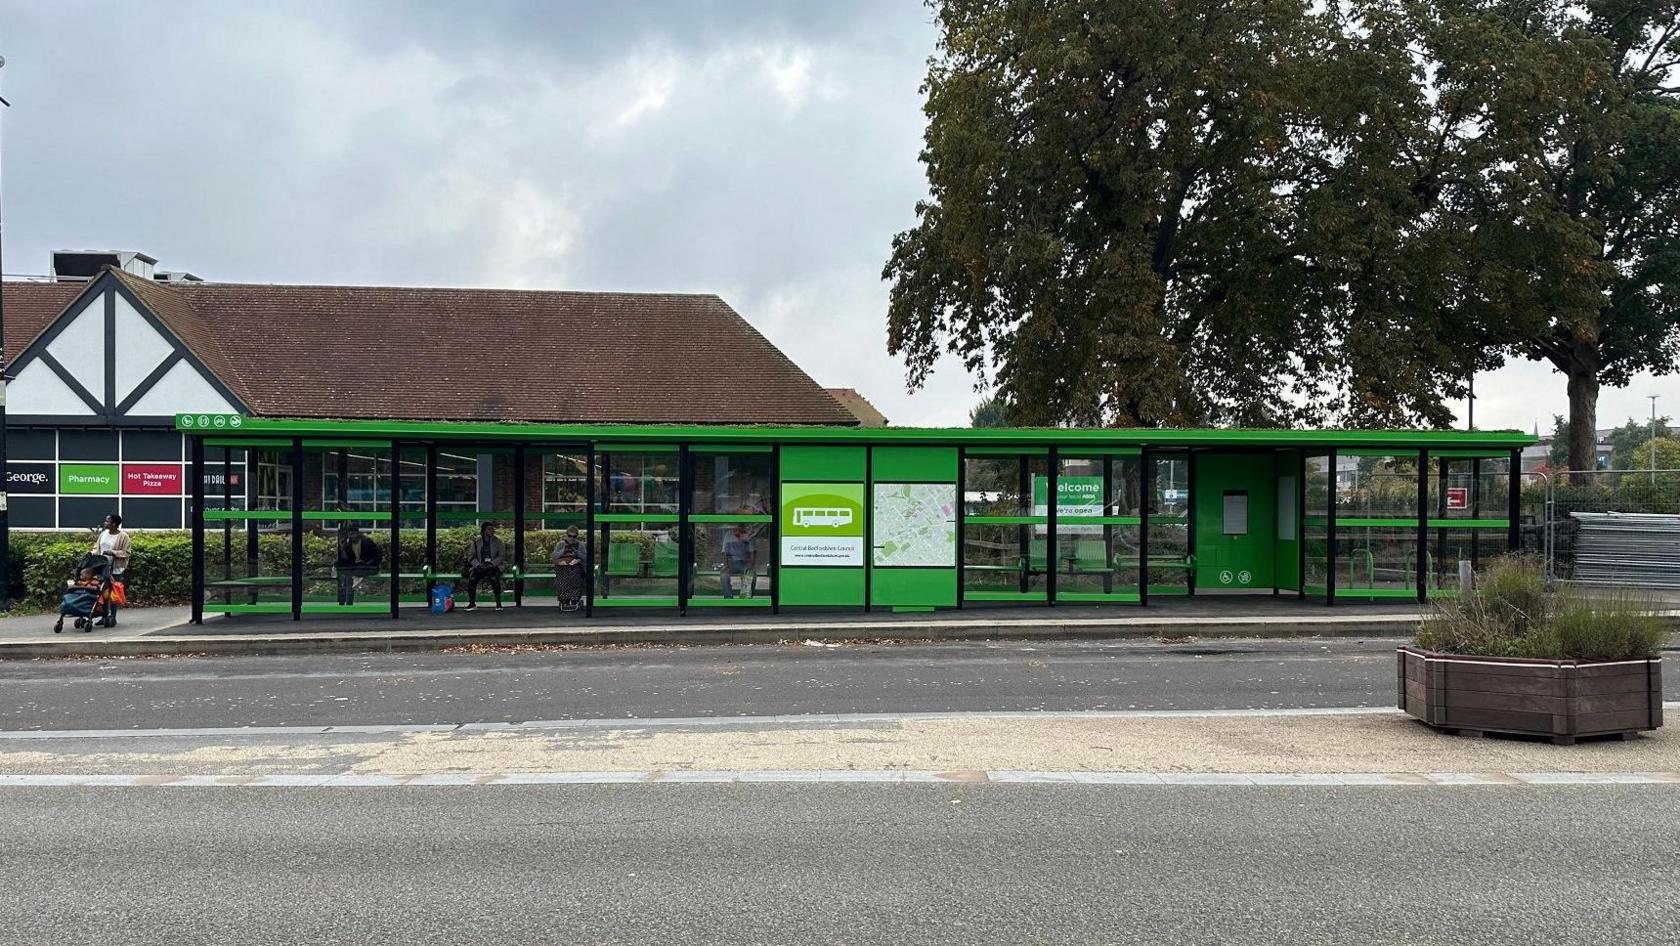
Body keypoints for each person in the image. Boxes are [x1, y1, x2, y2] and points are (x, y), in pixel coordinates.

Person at [91, 514, 131, 622]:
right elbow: (97, 548)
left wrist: (113, 552)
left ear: (114, 524)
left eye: (107, 521)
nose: (105, 523)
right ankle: (104, 615)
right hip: (102, 567)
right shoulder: (103, 534)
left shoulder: (123, 537)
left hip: (115, 568)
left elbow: (126, 552)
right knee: (103, 592)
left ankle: (112, 616)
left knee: (113, 592)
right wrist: (91, 553)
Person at [462, 522, 506, 611]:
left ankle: (498, 604)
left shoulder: (498, 541)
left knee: (494, 578)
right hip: (480, 566)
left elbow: (502, 556)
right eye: (489, 529)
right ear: (484, 531)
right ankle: (472, 604)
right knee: (472, 579)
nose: (492, 531)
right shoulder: (476, 542)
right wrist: (478, 564)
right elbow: (471, 556)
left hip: (493, 566)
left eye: (492, 529)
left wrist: (492, 563)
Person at [335, 525, 383, 605]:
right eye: (350, 534)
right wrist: (342, 548)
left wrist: (368, 563)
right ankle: (348, 600)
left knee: (350, 577)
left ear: (358, 533)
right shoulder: (348, 545)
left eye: (353, 534)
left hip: (367, 566)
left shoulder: (367, 542)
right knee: (345, 574)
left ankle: (354, 583)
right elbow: (345, 560)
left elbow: (377, 556)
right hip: (355, 567)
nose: (351, 536)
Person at [551, 525, 587, 612]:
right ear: (566, 535)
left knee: (574, 580)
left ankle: (574, 598)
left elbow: (585, 557)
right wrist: (563, 550)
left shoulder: (580, 545)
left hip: (576, 568)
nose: (572, 538)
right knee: (563, 580)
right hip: (562, 569)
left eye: (574, 537)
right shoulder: (561, 544)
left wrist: (576, 552)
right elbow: (554, 556)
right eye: (570, 536)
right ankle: (564, 598)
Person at [720, 523, 755, 599]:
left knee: (752, 575)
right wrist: (726, 565)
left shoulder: (746, 535)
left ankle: (745, 597)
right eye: (734, 529)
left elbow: (751, 552)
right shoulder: (728, 535)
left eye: (737, 529)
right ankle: (728, 598)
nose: (735, 531)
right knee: (724, 576)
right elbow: (724, 552)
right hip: (731, 563)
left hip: (744, 563)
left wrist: (750, 566)